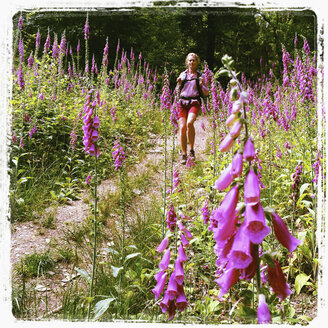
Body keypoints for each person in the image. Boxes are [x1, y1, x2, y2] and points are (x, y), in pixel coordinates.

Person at [176, 53, 209, 165]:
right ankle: (184, 154)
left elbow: (206, 92)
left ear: (197, 62)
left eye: (194, 60)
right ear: (187, 62)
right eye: (190, 60)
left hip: (194, 102)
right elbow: (177, 91)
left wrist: (201, 84)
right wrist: (179, 83)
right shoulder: (183, 74)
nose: (191, 62)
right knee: (182, 127)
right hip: (182, 103)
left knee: (190, 123)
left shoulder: (201, 76)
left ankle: (191, 150)